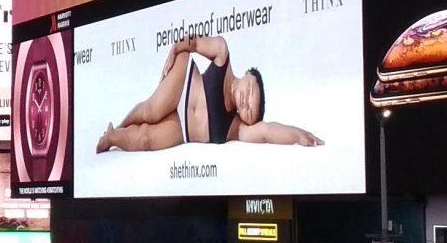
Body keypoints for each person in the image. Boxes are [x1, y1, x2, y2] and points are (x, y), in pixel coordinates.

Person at [94, 34, 324, 154]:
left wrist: (300, 136)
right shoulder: (223, 54)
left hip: (182, 130)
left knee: (145, 140)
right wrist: (175, 50)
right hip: (183, 82)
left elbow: (267, 132)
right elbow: (192, 44)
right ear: (248, 74)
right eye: (250, 90)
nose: (245, 101)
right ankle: (121, 125)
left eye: (249, 110)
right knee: (151, 111)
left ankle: (112, 137)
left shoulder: (236, 129)